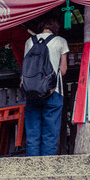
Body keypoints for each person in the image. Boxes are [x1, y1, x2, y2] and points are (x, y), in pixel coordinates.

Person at [23, 18, 69, 156]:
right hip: (53, 91)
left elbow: (26, 67)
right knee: (51, 131)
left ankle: (33, 166)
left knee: (32, 132)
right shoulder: (60, 41)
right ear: (55, 28)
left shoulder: (29, 41)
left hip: (31, 90)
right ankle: (46, 168)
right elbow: (63, 70)